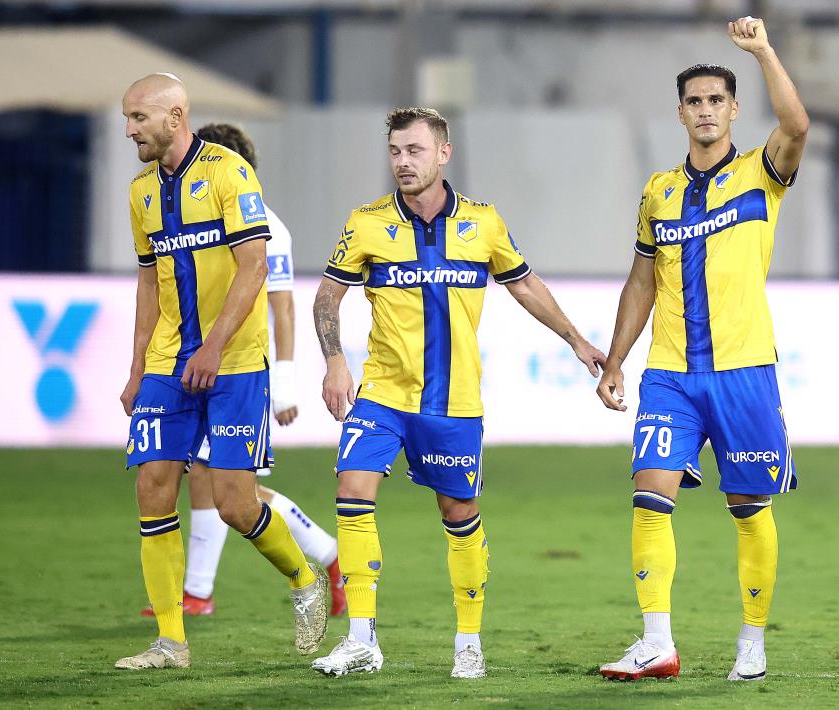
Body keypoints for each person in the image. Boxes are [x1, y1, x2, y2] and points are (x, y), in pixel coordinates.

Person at [309, 107, 606, 679]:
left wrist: (575, 339)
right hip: (383, 394)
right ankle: (362, 639)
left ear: (444, 153)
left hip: (453, 402)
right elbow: (327, 295)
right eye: (395, 151)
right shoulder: (366, 223)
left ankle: (468, 642)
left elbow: (525, 285)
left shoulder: (483, 223)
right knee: (352, 490)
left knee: (459, 513)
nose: (403, 162)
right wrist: (335, 361)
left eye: (415, 150)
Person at [595, 17, 808, 682]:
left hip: (744, 370)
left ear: (735, 109)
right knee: (649, 492)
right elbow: (641, 281)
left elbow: (798, 125)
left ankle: (752, 639)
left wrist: (763, 50)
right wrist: (615, 359)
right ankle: (657, 642)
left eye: (717, 99)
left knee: (748, 507)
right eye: (695, 101)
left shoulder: (762, 173)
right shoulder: (658, 192)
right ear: (681, 112)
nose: (706, 110)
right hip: (671, 373)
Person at [116, 74, 328, 670]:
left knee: (234, 504)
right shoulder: (140, 192)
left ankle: (303, 577)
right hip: (168, 362)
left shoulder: (229, 173)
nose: (129, 129)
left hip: (233, 362)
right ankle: (171, 642)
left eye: (138, 117)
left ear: (175, 116)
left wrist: (212, 347)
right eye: (127, 118)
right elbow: (149, 284)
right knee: (153, 485)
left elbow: (255, 266)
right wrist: (137, 367)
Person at [138, 122, 346, 619]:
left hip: (241, 372)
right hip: (193, 368)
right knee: (215, 483)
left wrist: (285, 382)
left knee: (227, 488)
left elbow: (283, 307)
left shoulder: (267, 226)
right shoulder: (183, 215)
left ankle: (211, 588)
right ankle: (210, 589)